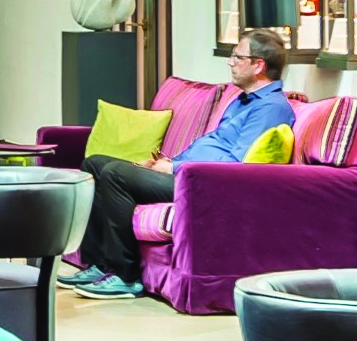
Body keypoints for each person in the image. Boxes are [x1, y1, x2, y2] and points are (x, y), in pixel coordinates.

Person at [69, 28, 301, 293]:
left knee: (114, 174)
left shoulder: (270, 108)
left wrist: (175, 168)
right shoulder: (242, 100)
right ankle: (99, 265)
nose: (230, 62)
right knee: (94, 164)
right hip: (187, 173)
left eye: (237, 56)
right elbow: (216, 147)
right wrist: (166, 162)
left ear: (258, 65)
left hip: (204, 186)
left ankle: (126, 276)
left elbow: (237, 166)